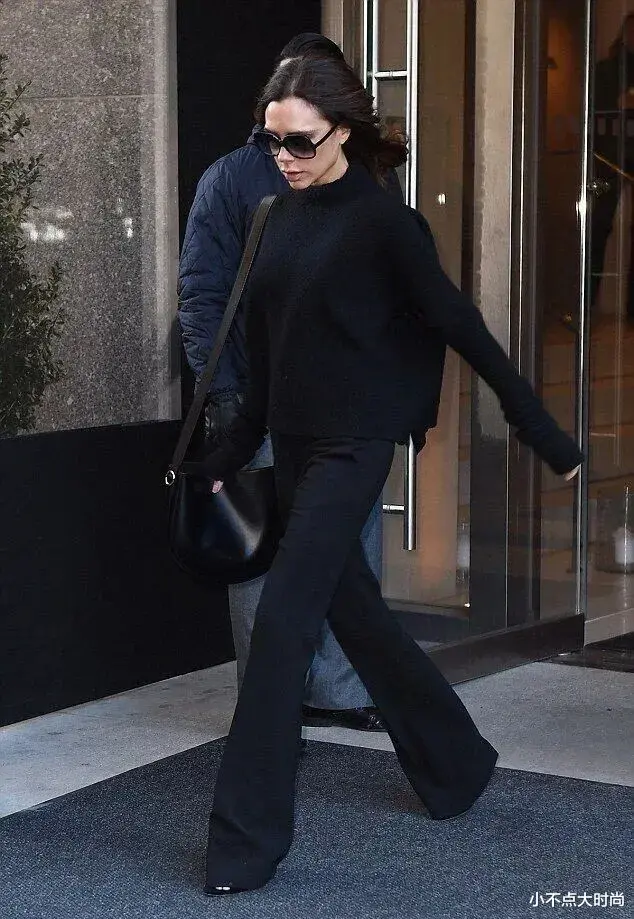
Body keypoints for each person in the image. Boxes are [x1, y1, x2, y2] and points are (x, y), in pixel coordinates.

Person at [201, 53, 584, 895]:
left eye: (301, 142)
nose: (285, 158)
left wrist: (540, 428)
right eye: (272, 142)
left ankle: (242, 843)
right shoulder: (271, 218)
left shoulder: (384, 225)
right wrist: (227, 457)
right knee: (360, 616)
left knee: (282, 626)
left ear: (343, 131)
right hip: (294, 446)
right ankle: (457, 761)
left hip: (354, 448)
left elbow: (462, 327)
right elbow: (267, 361)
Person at [178, 33, 404, 733]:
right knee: (259, 548)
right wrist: (224, 392)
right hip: (260, 398)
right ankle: (271, 697)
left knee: (352, 544)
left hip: (345, 399)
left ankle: (338, 690)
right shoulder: (232, 179)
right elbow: (202, 296)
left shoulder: (364, 177)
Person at [589, 13, 634, 322]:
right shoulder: (606, 70)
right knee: (598, 226)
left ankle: (631, 308)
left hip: (621, 154)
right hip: (609, 157)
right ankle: (586, 300)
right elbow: (596, 109)